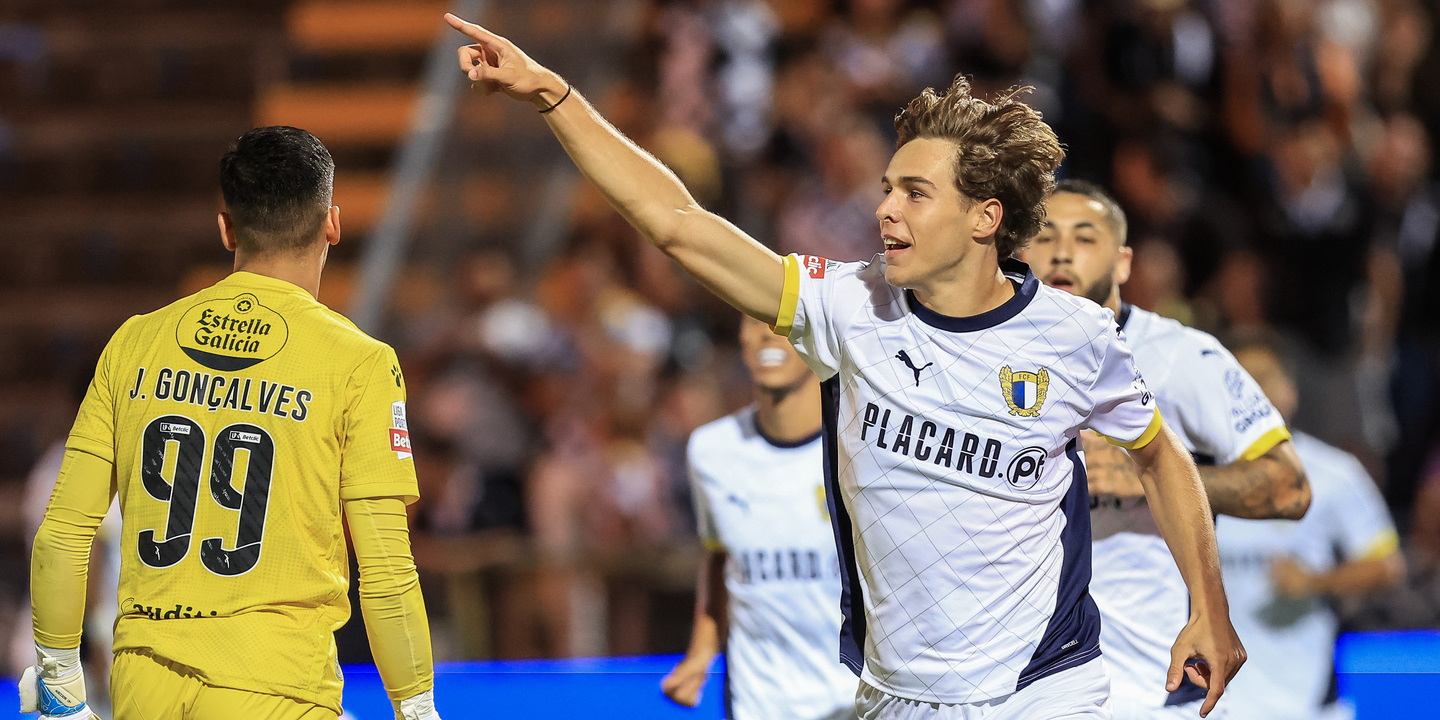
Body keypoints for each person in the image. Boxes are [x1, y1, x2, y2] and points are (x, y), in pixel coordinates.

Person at [445, 13, 1243, 718]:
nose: (885, 208)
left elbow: (1160, 458)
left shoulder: (1075, 335)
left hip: (1043, 688)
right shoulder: (846, 307)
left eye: (915, 193)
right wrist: (554, 95)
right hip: (897, 695)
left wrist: (1210, 607)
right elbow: (679, 225)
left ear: (983, 218)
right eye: (887, 188)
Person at [20, 126, 441, 720]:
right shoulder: (360, 364)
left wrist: (61, 685)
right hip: (279, 687)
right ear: (332, 224)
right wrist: (417, 708)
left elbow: (62, 533)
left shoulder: (134, 343)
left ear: (225, 229)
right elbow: (386, 567)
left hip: (145, 687)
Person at [1024, 180, 1311, 719]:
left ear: (1125, 261)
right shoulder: (991, 359)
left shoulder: (1182, 356)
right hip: (1026, 686)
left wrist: (1155, 478)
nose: (1061, 252)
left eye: (1085, 238)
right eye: (1043, 236)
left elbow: (1289, 487)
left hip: (1157, 691)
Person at [661, 315, 856, 720]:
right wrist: (700, 654)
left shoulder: (860, 449)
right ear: (740, 336)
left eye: (784, 319)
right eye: (755, 319)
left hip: (852, 702)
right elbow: (719, 557)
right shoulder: (711, 451)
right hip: (757, 703)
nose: (769, 331)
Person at [1213, 335, 1404, 720]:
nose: (1252, 390)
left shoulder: (1334, 473)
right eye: (1238, 379)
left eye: (1264, 378)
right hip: (1218, 703)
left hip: (1306, 699)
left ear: (1291, 391)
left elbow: (1388, 566)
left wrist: (1315, 582)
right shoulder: (1193, 478)